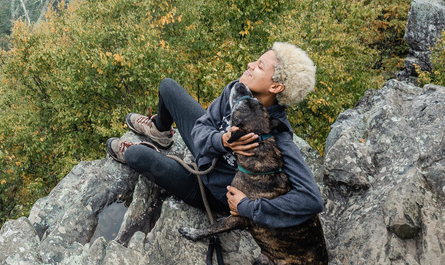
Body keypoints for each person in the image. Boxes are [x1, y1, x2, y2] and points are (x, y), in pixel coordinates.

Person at [106, 42, 323, 228]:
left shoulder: (276, 135)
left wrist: (247, 207)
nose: (250, 65)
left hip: (211, 191)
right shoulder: (236, 90)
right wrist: (222, 141)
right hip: (206, 152)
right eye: (256, 61)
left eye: (259, 66)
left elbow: (311, 199)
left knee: (136, 156)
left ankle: (153, 153)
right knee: (167, 86)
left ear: (276, 86)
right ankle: (161, 131)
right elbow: (203, 127)